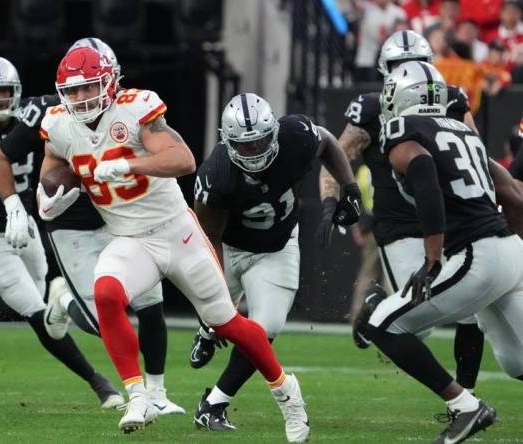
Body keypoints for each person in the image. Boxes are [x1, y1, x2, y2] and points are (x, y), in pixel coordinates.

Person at [37, 45, 310, 439]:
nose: (80, 99)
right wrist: (45, 202)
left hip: (177, 231)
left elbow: (182, 160)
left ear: (111, 82)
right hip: (130, 239)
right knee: (107, 292)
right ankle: (138, 396)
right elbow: (51, 164)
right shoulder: (59, 124)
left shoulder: (136, 109)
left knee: (227, 323)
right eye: (73, 91)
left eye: (89, 88)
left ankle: (287, 392)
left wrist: (130, 163)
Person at [0, 37, 184, 415]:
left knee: (151, 303)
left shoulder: (130, 109)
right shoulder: (53, 113)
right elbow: (2, 157)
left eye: (97, 83)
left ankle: (157, 394)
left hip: (120, 218)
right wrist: (14, 205)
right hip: (71, 222)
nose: (89, 94)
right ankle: (62, 297)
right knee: (102, 322)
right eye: (80, 86)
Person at [0, 56, 123, 409]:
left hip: (24, 224)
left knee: (38, 302)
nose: (0, 100)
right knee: (35, 309)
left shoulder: (37, 113)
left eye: (6, 92)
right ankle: (99, 383)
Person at [362, 60, 523, 443]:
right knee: (517, 360)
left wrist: (432, 257)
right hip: (511, 252)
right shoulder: (463, 131)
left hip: (476, 255)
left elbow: (423, 172)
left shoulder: (403, 130)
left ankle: (465, 407)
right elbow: (513, 193)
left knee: (383, 323)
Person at [188, 93, 360, 433]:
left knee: (264, 329)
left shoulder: (294, 135)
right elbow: (209, 241)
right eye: (244, 146)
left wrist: (350, 188)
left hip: (276, 247)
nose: (254, 152)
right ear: (228, 142)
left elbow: (326, 141)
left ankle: (214, 404)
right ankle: (207, 330)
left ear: (274, 133)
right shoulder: (217, 174)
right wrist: (217, 298)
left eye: (261, 142)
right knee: (218, 311)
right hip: (230, 249)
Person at [328, 30, 487, 393]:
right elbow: (335, 155)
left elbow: (475, 151)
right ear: (386, 70)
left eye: (414, 65)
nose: (407, 73)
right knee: (417, 321)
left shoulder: (451, 100)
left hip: (446, 220)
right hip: (399, 225)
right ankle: (377, 305)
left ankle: (467, 393)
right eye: (399, 66)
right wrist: (334, 198)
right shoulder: (370, 108)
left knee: (471, 309)